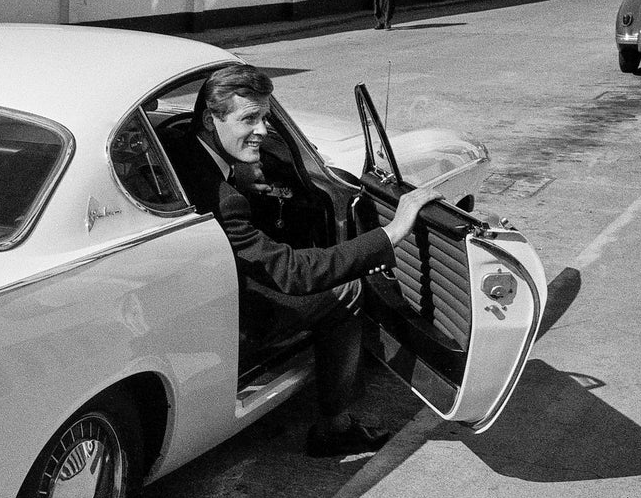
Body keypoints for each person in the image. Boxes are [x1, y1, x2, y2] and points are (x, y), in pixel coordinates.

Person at [164, 63, 440, 457]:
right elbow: (293, 273)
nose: (262, 130)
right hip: (230, 315)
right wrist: (392, 233)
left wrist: (242, 175)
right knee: (346, 292)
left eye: (265, 116)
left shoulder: (181, 145)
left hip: (192, 292)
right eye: (249, 119)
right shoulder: (224, 201)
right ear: (211, 119)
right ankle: (334, 427)